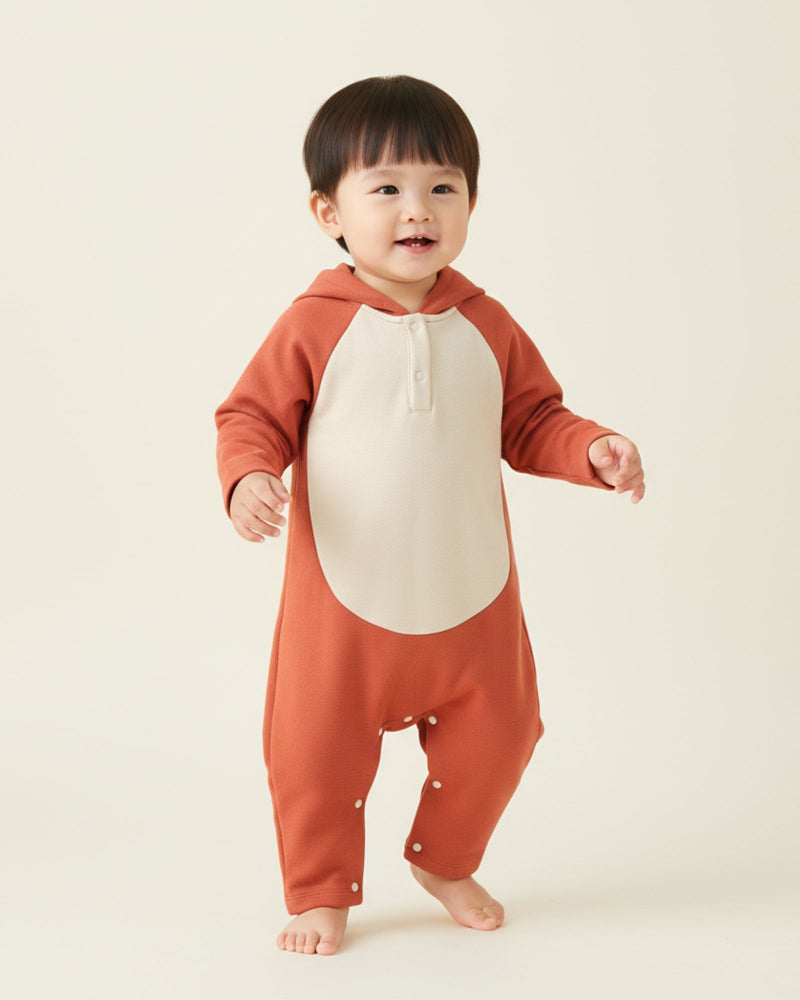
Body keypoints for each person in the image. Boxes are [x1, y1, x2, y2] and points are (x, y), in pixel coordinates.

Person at [214, 74, 645, 957]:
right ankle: (320, 888)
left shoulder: (487, 323)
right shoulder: (313, 324)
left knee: (505, 734)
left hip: (471, 595)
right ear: (328, 213)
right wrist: (247, 476)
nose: (418, 209)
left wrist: (592, 449)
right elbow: (251, 417)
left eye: (442, 186)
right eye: (386, 189)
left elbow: (533, 420)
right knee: (312, 752)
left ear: (471, 203)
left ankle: (445, 861)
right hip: (343, 607)